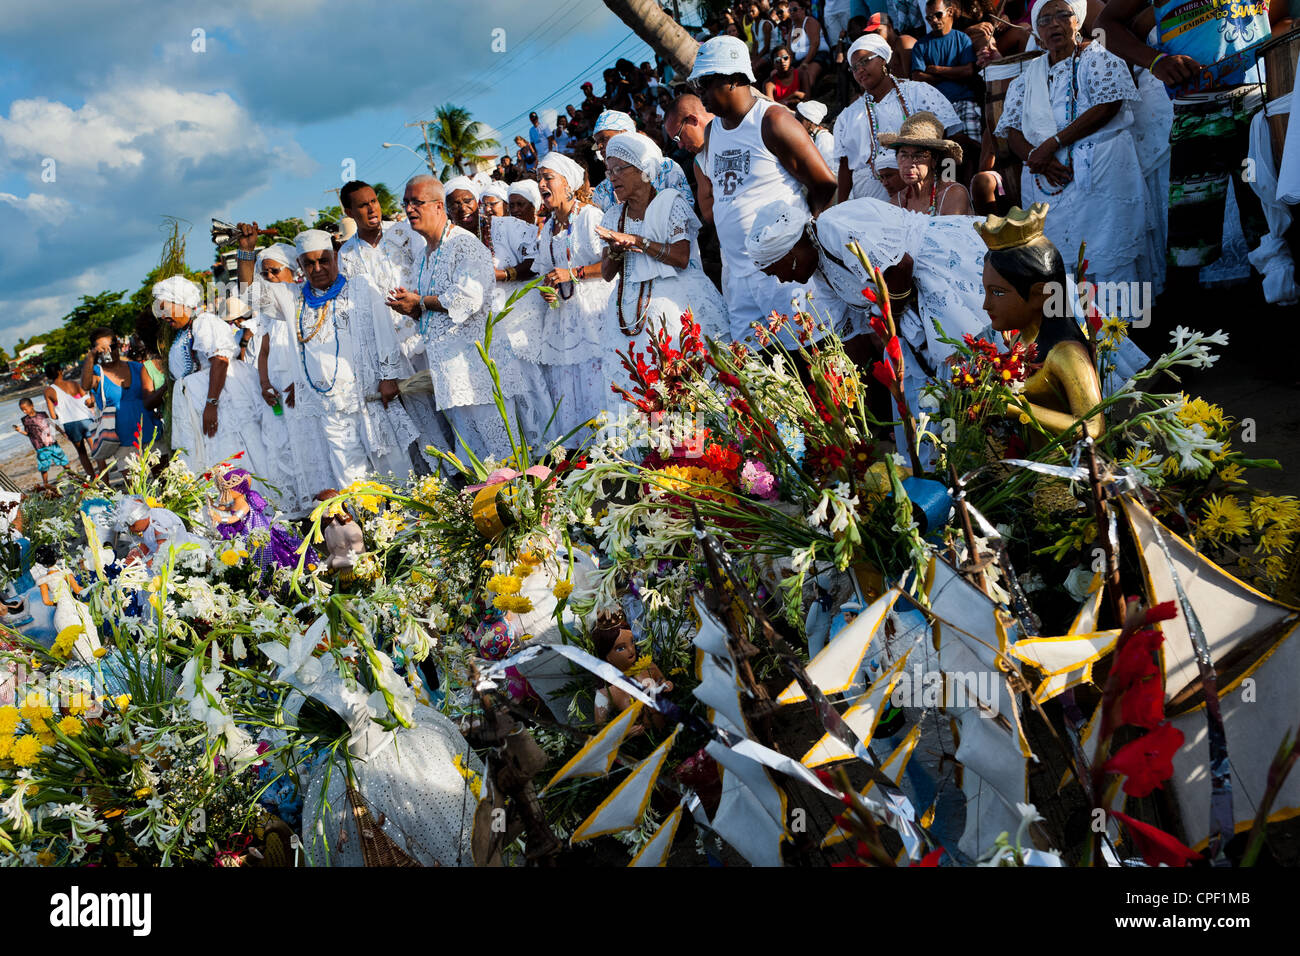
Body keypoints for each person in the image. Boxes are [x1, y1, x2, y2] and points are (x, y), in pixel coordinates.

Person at [745, 196, 989, 451]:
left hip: (942, 278)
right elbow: (851, 336)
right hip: (909, 313)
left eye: (776, 271)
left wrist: (891, 328)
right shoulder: (822, 276)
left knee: (968, 378)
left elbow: (900, 268)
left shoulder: (833, 227)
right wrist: (852, 405)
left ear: (791, 253)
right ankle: (938, 468)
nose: (783, 281)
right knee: (926, 401)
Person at [1097, 0, 1282, 272]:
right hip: (1197, 114)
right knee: (1189, 248)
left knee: (1272, 229)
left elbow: (1277, 16)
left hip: (1261, 107)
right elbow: (1105, 25)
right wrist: (1155, 61)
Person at [995, 0, 1152, 294]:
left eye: (1062, 15)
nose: (1053, 24)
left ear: (1078, 20)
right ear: (1037, 31)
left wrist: (1054, 144)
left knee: (1108, 259)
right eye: (1044, 20)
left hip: (1101, 183)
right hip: (1047, 183)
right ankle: (1073, 335)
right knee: (1059, 265)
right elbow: (1011, 129)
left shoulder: (1099, 56)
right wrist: (1035, 155)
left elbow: (1109, 104)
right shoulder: (1029, 76)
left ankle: (1120, 332)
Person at [690, 35, 837, 343]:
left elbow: (824, 183)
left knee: (812, 353)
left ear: (732, 79)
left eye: (705, 83)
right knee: (761, 370)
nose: (699, 93)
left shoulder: (772, 120)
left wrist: (800, 233)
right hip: (739, 274)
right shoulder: (712, 131)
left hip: (783, 268)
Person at [385, 177, 535, 462]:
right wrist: (412, 308)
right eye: (406, 203)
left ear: (438, 206)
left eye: (417, 202)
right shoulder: (424, 257)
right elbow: (431, 314)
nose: (409, 209)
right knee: (475, 462)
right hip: (451, 377)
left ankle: (523, 506)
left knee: (506, 458)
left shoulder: (463, 245)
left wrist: (421, 302)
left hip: (480, 373)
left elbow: (470, 298)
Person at [595, 132, 731, 402]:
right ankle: (652, 445)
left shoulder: (670, 203)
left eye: (619, 169)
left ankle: (696, 444)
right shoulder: (612, 215)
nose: (611, 177)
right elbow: (607, 273)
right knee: (637, 391)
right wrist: (615, 250)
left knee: (687, 387)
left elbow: (681, 257)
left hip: (676, 306)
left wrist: (637, 241)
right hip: (627, 311)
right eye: (608, 170)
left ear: (643, 170)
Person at [283, 231, 421, 486]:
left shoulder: (359, 286)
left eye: (323, 260)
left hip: (369, 396)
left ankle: (410, 523)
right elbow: (254, 294)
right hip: (329, 406)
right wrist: (247, 252)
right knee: (351, 477)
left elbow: (383, 330)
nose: (317, 268)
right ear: (300, 267)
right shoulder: (294, 298)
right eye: (308, 263)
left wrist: (389, 376)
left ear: (335, 258)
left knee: (394, 468)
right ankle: (370, 524)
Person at [336, 182, 446, 475]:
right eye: (362, 205)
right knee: (422, 423)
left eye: (374, 201)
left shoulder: (404, 233)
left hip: (424, 333)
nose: (372, 208)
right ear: (348, 212)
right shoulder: (346, 254)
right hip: (390, 353)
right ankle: (441, 486)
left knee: (448, 410)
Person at [156, 276, 290, 504]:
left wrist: (211, 404)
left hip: (222, 405)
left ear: (181, 302)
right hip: (200, 406)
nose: (164, 315)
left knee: (233, 453)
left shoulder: (204, 322)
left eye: (167, 308)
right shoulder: (185, 332)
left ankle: (250, 507)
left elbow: (220, 359)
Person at [974, 203, 1102, 440]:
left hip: (1064, 471)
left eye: (998, 292)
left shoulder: (1066, 353)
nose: (986, 304)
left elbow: (1094, 427)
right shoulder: (1020, 339)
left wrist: (1019, 409)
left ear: (1040, 294)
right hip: (1029, 464)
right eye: (986, 291)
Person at [526, 153, 617, 439]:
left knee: (596, 380)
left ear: (567, 184)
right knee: (569, 385)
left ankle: (612, 448)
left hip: (593, 316)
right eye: (539, 178)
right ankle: (584, 455)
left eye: (547, 178)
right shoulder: (548, 228)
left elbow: (609, 266)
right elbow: (545, 271)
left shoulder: (590, 216)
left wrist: (572, 273)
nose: (541, 184)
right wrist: (549, 288)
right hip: (563, 321)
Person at [834, 33, 963, 202]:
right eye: (854, 67)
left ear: (883, 60)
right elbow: (845, 168)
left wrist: (947, 186)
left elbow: (948, 145)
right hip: (867, 201)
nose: (860, 70)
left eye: (865, 61)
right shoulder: (847, 116)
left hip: (923, 196)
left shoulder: (919, 92)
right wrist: (841, 208)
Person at [80, 325, 161, 468]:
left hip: (152, 432)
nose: (109, 352)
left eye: (112, 346)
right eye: (102, 350)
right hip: (123, 442)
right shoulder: (98, 374)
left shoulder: (137, 367)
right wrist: (90, 357)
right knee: (135, 488)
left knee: (164, 482)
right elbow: (86, 385)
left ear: (118, 344)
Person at [910, 0, 982, 159]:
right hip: (934, 106)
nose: (934, 21)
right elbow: (917, 78)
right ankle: (949, 182)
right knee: (941, 153)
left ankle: (972, 181)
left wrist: (936, 69)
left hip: (963, 100)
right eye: (929, 18)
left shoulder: (962, 39)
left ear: (950, 12)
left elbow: (968, 71)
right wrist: (954, 72)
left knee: (972, 145)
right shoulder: (921, 45)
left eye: (937, 15)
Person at [880, 111, 975, 214]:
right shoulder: (897, 202)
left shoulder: (953, 194)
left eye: (918, 155)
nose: (909, 164)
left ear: (934, 160)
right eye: (904, 155)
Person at [43, 363, 94, 476]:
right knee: (96, 450)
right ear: (60, 371)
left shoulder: (48, 391)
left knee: (82, 454)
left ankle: (94, 481)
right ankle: (106, 482)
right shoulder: (74, 384)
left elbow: (53, 416)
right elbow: (88, 402)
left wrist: (61, 409)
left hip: (70, 425)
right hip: (85, 419)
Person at [13, 399, 70, 490]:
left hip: (52, 443)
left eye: (25, 409)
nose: (24, 411)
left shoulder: (42, 414)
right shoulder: (25, 420)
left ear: (32, 405)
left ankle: (72, 476)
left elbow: (52, 424)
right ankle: (46, 484)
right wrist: (20, 431)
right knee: (43, 466)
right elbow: (29, 434)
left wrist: (62, 432)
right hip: (40, 447)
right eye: (22, 410)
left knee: (63, 460)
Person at [787, 1, 831, 91]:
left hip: (818, 55)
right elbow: (790, 52)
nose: (792, 12)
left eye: (794, 9)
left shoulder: (809, 22)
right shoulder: (793, 29)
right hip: (800, 60)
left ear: (803, 10)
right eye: (789, 10)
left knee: (807, 77)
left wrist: (805, 63)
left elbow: (814, 44)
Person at [796, 100, 836, 169]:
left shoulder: (824, 139)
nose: (796, 122)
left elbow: (830, 169)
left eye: (799, 120)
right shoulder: (808, 135)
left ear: (810, 122)